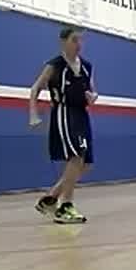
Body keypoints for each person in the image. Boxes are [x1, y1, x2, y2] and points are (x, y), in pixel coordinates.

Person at [28, 26, 96, 224]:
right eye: (74, 40)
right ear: (63, 42)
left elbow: (92, 90)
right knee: (76, 157)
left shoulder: (86, 66)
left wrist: (92, 97)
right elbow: (35, 88)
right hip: (64, 112)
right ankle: (66, 206)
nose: (79, 44)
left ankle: (50, 198)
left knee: (86, 163)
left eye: (81, 40)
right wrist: (33, 114)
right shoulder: (55, 65)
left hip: (81, 114)